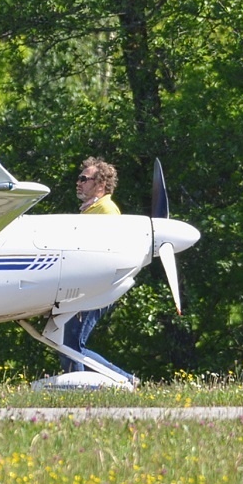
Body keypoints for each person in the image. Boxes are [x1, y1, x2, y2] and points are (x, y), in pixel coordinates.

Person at [60, 157, 137, 384]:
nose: (79, 182)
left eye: (85, 179)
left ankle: (122, 381)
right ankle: (123, 381)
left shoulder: (106, 210)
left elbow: (107, 253)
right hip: (86, 289)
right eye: (79, 178)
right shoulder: (92, 210)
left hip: (94, 289)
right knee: (69, 347)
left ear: (101, 185)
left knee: (70, 347)